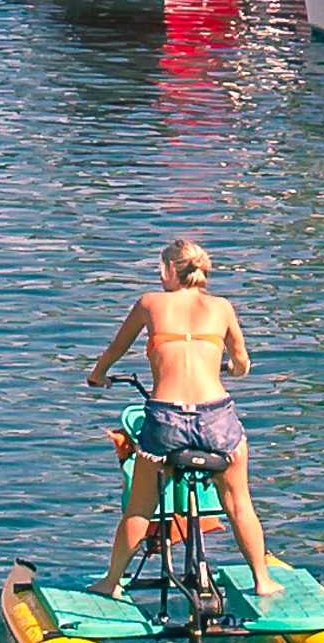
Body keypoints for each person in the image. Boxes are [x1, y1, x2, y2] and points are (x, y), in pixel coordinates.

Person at [87, 235, 274, 602]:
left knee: (140, 507)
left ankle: (111, 583)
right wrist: (232, 368)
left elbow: (115, 349)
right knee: (239, 503)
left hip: (167, 421)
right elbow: (242, 362)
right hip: (215, 418)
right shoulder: (222, 307)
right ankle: (263, 580)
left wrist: (97, 375)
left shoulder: (149, 303)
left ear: (170, 270)